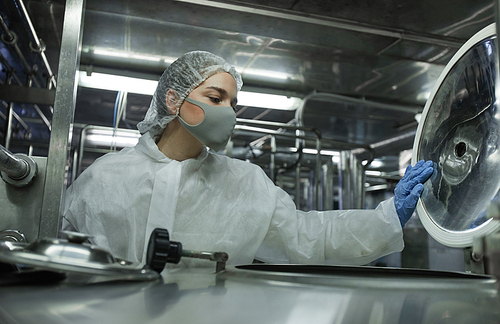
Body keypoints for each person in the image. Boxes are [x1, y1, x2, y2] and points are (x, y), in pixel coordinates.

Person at [62, 51, 433, 268]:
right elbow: (61, 257)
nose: (229, 112)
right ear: (174, 101)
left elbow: (308, 238)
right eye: (216, 98)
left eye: (233, 104)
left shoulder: (245, 183)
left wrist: (386, 219)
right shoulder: (104, 178)